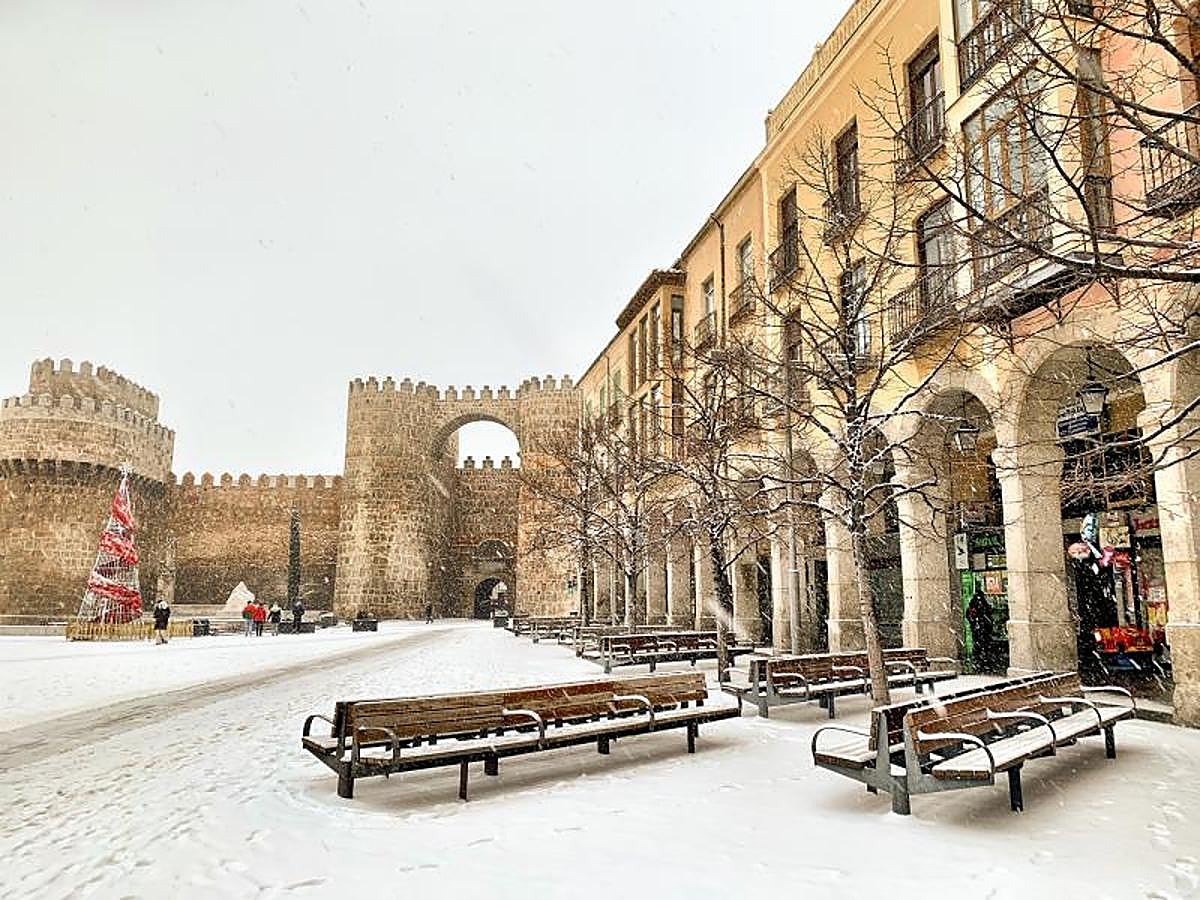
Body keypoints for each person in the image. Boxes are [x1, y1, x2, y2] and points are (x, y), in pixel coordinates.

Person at [966, 586, 994, 672]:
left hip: (979, 628)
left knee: (979, 646)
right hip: (982, 629)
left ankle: (980, 662)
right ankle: (984, 662)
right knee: (984, 646)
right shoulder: (982, 604)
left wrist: (974, 622)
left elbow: (968, 615)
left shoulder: (974, 604)